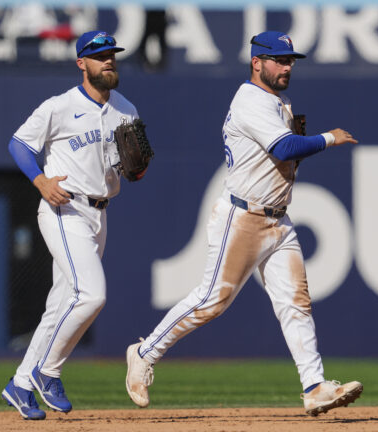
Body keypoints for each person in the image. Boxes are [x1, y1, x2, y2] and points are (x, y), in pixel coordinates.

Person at [125, 30, 362, 416]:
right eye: (280, 60)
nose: (287, 67)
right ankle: (144, 352)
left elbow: (284, 157)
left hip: (278, 222)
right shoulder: (250, 99)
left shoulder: (278, 100)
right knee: (211, 301)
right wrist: (328, 138)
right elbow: (284, 147)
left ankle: (315, 386)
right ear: (257, 62)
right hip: (243, 218)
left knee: (296, 304)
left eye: (290, 61)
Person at [1, 30, 141, 420]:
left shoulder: (126, 110)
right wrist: (40, 181)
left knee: (62, 304)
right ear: (81, 63)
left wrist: (137, 169)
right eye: (99, 55)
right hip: (65, 209)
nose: (108, 60)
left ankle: (21, 385)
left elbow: (131, 167)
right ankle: (48, 371)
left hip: (100, 213)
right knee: (92, 295)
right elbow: (19, 144)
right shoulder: (60, 107)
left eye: (111, 53)